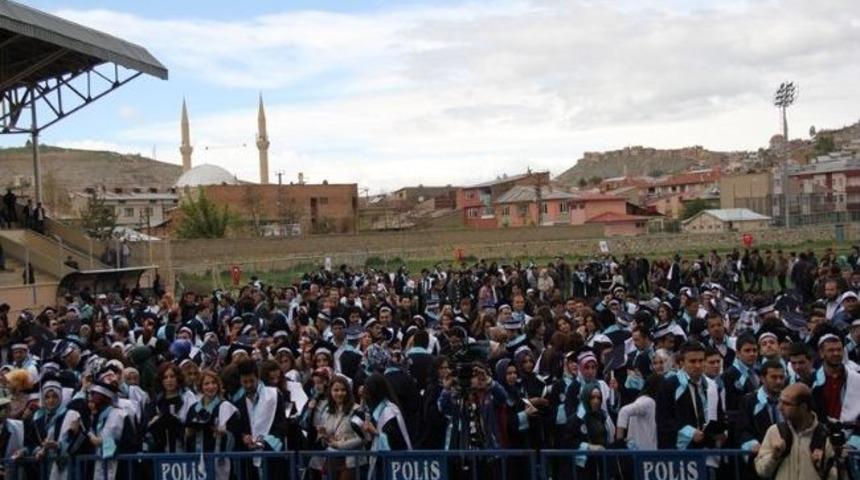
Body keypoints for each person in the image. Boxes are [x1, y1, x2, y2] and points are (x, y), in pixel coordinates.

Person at [754, 383, 836, 480]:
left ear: (803, 407)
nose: (779, 407)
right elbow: (762, 472)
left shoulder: (825, 435)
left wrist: (824, 465)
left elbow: (835, 476)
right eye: (780, 402)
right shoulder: (775, 431)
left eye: (787, 404)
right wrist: (774, 457)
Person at [184, 370, 240, 480]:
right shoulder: (193, 408)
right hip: (197, 457)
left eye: (214, 383)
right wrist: (189, 432)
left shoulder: (226, 407)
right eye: (206, 384)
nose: (211, 386)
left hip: (219, 458)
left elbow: (235, 434)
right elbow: (187, 433)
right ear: (201, 387)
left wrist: (223, 433)